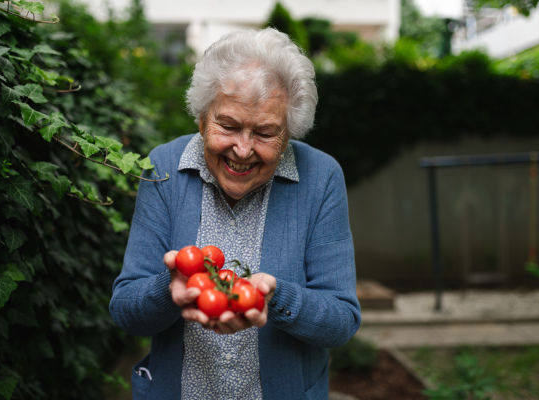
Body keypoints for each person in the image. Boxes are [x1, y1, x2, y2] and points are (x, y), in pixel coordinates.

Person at [109, 27, 361, 400]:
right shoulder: (164, 167)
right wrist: (171, 289)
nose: (242, 150)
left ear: (289, 133)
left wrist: (277, 297)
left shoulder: (321, 178)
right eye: (227, 126)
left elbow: (341, 321)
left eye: (265, 133)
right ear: (201, 117)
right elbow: (125, 310)